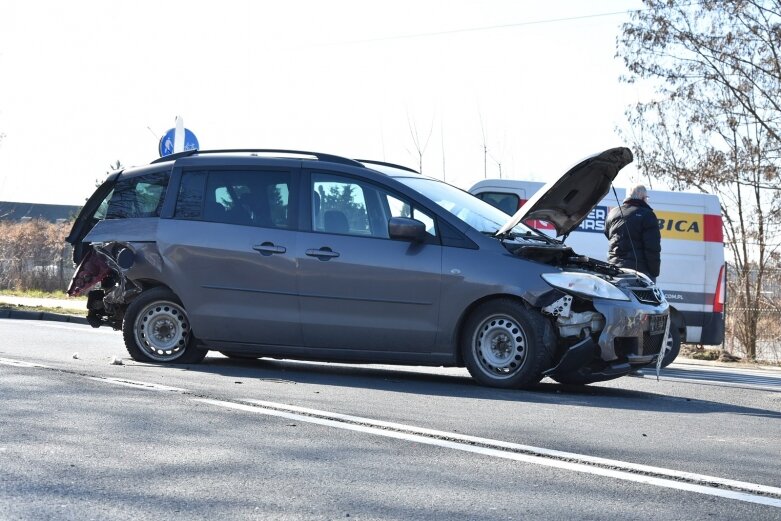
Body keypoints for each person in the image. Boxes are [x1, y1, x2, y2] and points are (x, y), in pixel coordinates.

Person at [604, 184, 661, 282]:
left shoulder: (613, 212)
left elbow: (607, 234)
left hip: (614, 270)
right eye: (647, 197)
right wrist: (654, 272)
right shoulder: (648, 215)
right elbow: (652, 247)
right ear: (643, 198)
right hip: (639, 273)